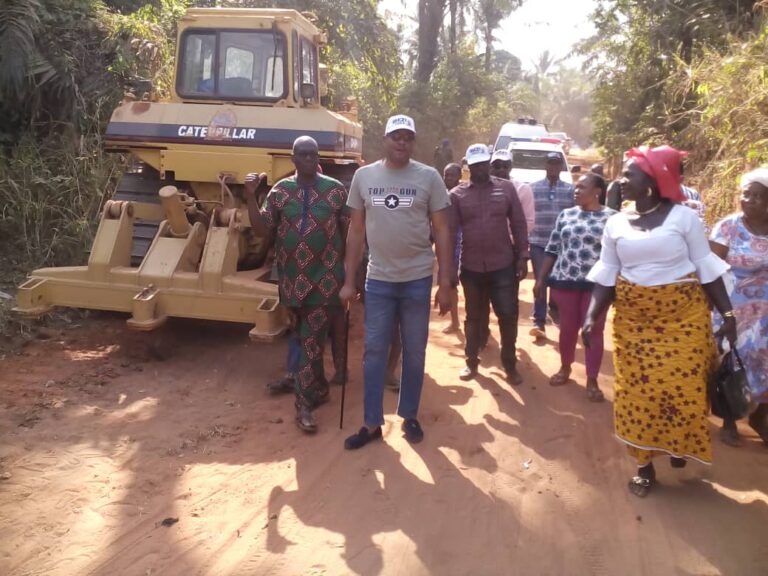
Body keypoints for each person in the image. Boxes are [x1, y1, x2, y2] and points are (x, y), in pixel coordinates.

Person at [582, 144, 737, 497]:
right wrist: (592, 316)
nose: (621, 179)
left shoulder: (684, 219)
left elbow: (706, 268)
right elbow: (608, 273)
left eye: (629, 174)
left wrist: (727, 314)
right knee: (636, 394)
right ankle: (644, 466)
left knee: (683, 390)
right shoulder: (616, 222)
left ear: (651, 183)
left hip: (683, 318)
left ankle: (676, 445)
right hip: (634, 322)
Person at [340, 114, 453, 450]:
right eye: (396, 136)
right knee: (374, 351)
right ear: (385, 140)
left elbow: (444, 230)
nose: (401, 142)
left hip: (417, 279)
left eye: (407, 137)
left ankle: (410, 415)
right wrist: (348, 280)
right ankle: (372, 423)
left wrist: (445, 282)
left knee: (414, 352)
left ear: (413, 142)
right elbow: (356, 231)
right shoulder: (364, 177)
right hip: (379, 280)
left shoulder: (429, 178)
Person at [244, 136, 349, 434]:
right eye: (302, 154)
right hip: (291, 281)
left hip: (325, 279)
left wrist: (347, 275)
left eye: (312, 154)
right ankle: (321, 390)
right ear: (292, 158)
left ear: (318, 158)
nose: (308, 158)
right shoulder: (280, 192)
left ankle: (303, 405)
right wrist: (251, 196)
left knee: (311, 340)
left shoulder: (335, 190)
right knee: (305, 339)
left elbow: (348, 231)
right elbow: (262, 229)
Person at [450, 144, 529, 385]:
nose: (480, 168)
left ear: (489, 162)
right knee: (473, 318)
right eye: (475, 165)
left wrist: (523, 255)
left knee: (507, 315)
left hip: (502, 265)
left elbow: (518, 223)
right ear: (468, 167)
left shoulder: (506, 189)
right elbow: (451, 234)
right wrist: (450, 270)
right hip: (472, 268)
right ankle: (471, 362)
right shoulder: (457, 195)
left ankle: (509, 364)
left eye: (484, 163)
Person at [533, 172, 615, 401]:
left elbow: (618, 254)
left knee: (594, 330)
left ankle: (592, 378)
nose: (576, 191)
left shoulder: (612, 218)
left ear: (597, 191)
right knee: (568, 328)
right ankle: (565, 367)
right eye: (575, 187)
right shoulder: (566, 215)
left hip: (597, 286)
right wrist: (541, 279)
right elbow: (552, 248)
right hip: (565, 281)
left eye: (582, 187)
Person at [709, 167, 768, 446]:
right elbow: (710, 269)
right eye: (747, 194)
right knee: (731, 362)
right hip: (732, 307)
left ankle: (759, 418)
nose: (750, 199)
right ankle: (730, 420)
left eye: (758, 196)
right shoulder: (728, 227)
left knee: (764, 365)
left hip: (765, 315)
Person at [529, 152, 575, 339]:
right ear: (545, 165)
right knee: (541, 280)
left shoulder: (570, 190)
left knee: (559, 282)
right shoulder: (533, 188)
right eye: (551, 163)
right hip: (539, 242)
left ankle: (556, 313)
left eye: (557, 164)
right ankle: (539, 321)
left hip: (563, 245)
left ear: (561, 167)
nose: (554, 167)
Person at [443, 162, 463, 334]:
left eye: (452, 175)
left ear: (459, 176)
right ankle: (455, 321)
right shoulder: (442, 196)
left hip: (465, 246)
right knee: (451, 285)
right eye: (446, 175)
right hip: (450, 247)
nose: (448, 178)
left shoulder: (464, 194)